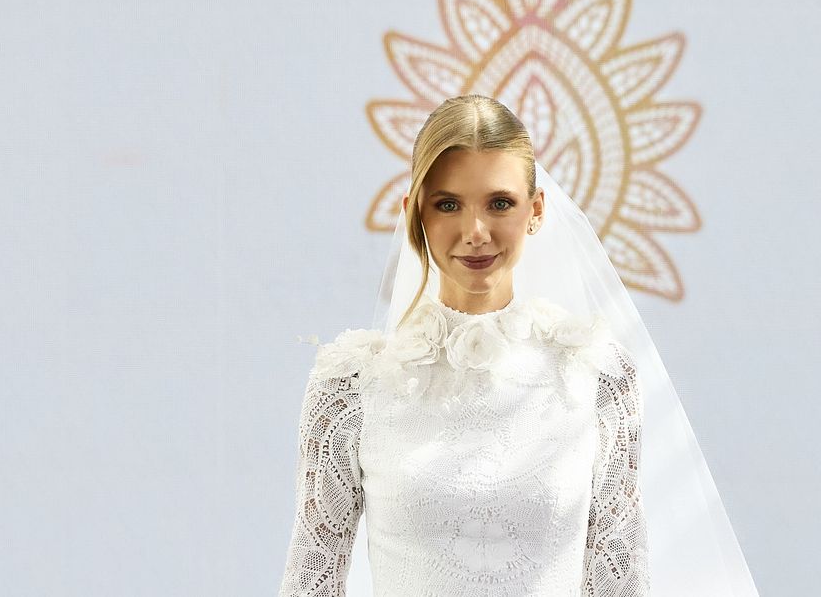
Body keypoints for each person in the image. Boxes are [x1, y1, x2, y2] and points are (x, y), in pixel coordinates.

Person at [279, 95, 759, 596]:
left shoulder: (596, 377)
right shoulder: (352, 388)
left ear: (536, 210)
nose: (476, 232)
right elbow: (311, 581)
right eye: (448, 204)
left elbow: (618, 583)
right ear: (414, 213)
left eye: (499, 203)